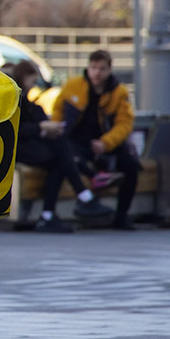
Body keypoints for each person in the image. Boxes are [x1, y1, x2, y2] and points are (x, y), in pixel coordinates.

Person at [9, 61, 112, 232]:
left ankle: (49, 214)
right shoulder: (14, 98)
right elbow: (14, 129)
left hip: (27, 146)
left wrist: (46, 128)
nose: (34, 86)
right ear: (24, 77)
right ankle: (83, 194)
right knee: (60, 150)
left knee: (59, 158)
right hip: (16, 149)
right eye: (32, 82)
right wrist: (42, 128)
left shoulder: (27, 100)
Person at [52, 49, 140, 230]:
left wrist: (105, 143)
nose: (97, 73)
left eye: (101, 69)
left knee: (131, 165)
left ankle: (121, 215)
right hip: (77, 142)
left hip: (104, 143)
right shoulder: (73, 86)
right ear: (88, 67)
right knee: (67, 157)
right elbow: (57, 111)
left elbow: (124, 125)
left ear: (109, 70)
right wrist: (56, 129)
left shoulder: (119, 93)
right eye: (93, 68)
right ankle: (89, 195)